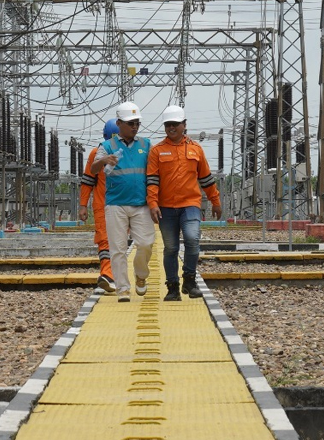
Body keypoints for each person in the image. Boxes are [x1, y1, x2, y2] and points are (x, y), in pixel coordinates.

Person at [146, 105, 222, 301]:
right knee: (170, 248)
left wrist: (215, 201)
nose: (171, 128)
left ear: (184, 125)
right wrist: (153, 203)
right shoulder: (157, 151)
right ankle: (172, 288)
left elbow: (206, 178)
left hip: (190, 204)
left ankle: (189, 279)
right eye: (168, 125)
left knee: (192, 239)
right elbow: (152, 180)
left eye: (175, 124)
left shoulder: (196, 149)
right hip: (166, 208)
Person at [90, 101, 155, 303]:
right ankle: (123, 289)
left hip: (141, 204)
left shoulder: (146, 145)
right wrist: (103, 161)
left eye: (137, 123)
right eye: (130, 123)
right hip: (115, 204)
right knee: (117, 249)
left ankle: (141, 275)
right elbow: (93, 169)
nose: (134, 127)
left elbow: (154, 173)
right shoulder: (107, 146)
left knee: (145, 243)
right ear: (119, 124)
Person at [79, 120, 119, 293]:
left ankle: (114, 274)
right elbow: (88, 181)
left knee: (119, 242)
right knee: (104, 240)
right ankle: (107, 274)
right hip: (102, 205)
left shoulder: (128, 153)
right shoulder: (96, 154)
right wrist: (82, 205)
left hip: (122, 206)